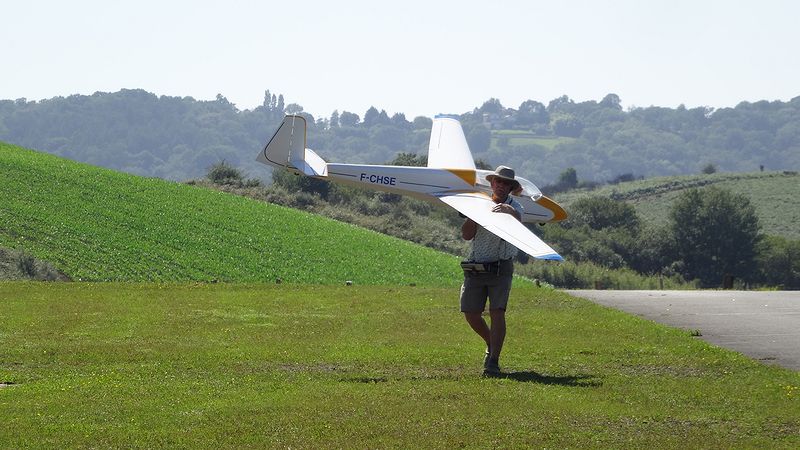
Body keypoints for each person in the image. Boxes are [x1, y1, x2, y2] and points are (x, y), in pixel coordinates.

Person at [460, 165, 524, 376]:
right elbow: (467, 235)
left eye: (507, 183)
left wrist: (510, 212)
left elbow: (519, 223)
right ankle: (491, 342)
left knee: (497, 312)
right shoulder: (480, 203)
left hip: (501, 267)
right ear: (492, 183)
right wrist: (473, 216)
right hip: (477, 264)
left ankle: (493, 361)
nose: (502, 185)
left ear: (511, 187)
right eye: (499, 181)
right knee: (470, 313)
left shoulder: (516, 207)